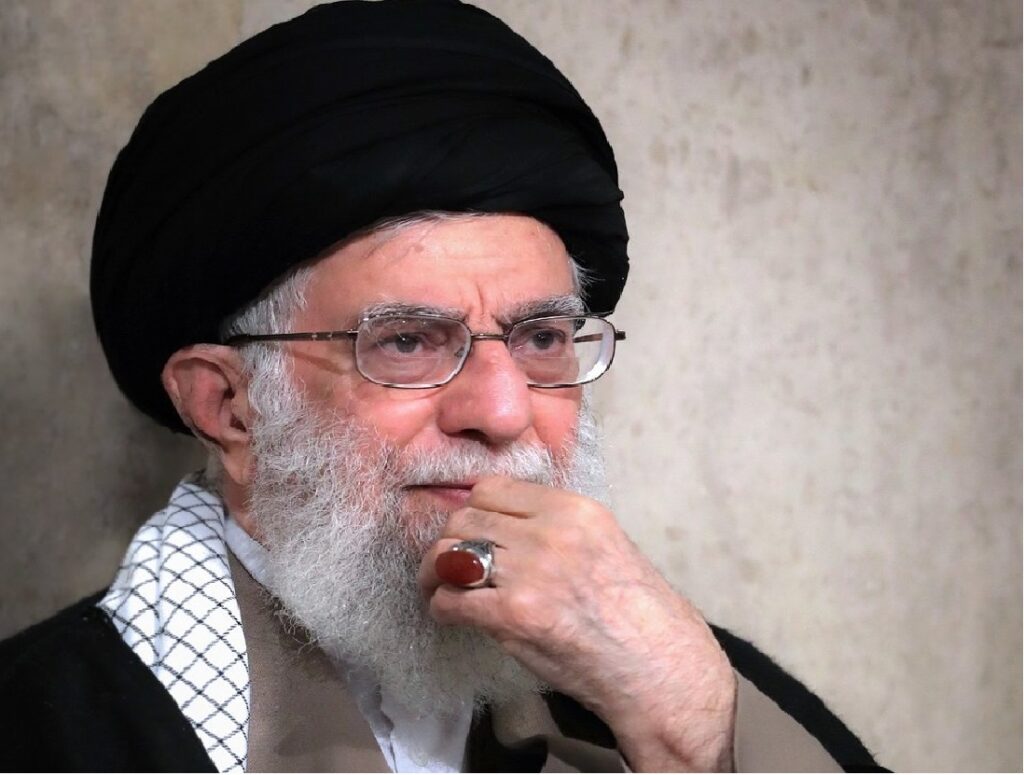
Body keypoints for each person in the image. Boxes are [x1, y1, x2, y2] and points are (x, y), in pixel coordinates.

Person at [0, 1, 883, 772]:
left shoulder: (679, 676)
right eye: (409, 343)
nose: (503, 411)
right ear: (229, 407)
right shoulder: (41, 729)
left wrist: (692, 720)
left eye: (540, 338)